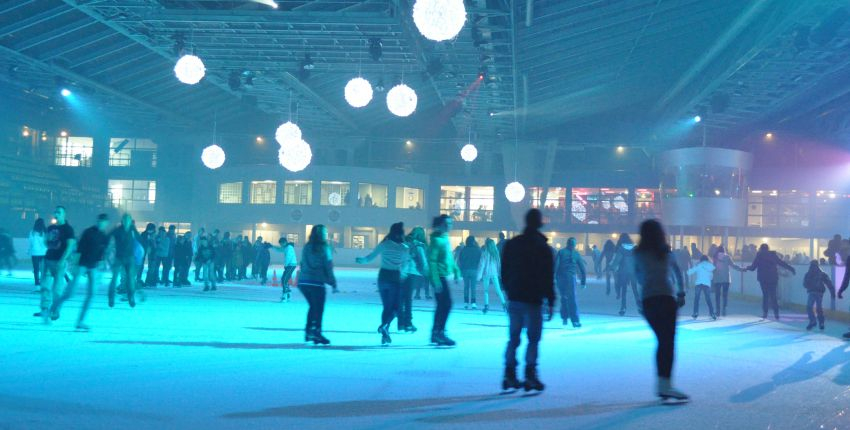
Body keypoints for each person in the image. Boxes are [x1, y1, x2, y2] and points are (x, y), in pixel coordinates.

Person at [633, 219, 689, 402]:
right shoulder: (665, 252)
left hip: (649, 301)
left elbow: (639, 278)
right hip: (666, 298)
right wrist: (681, 293)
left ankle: (662, 384)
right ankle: (665, 384)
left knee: (662, 341)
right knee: (668, 342)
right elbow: (677, 273)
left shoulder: (637, 254)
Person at [501, 209, 554, 392]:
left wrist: (509, 288)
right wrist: (551, 299)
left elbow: (504, 269)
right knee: (533, 338)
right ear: (539, 223)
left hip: (515, 296)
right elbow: (547, 276)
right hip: (532, 298)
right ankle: (530, 374)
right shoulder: (543, 247)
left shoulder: (513, 244)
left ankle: (509, 372)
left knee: (514, 337)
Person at [52, 214, 110, 330]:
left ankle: (80, 321)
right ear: (97, 221)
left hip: (93, 267)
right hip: (82, 265)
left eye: (103, 222)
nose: (101, 223)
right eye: (100, 221)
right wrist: (75, 265)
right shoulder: (88, 232)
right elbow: (79, 249)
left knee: (91, 294)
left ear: (106, 223)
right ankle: (54, 307)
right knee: (70, 293)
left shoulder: (104, 236)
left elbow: (102, 253)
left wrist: (103, 263)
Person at [357, 223, 409, 345]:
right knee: (396, 308)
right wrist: (403, 274)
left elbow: (369, 257)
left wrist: (361, 260)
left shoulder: (384, 245)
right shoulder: (404, 248)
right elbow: (405, 265)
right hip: (394, 277)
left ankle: (385, 336)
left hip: (382, 277)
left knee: (386, 307)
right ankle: (385, 326)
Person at [35, 206, 76, 324]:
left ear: (64, 215)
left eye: (59, 212)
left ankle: (55, 310)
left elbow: (70, 245)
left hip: (59, 262)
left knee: (57, 289)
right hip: (48, 260)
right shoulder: (51, 227)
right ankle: (45, 309)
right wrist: (48, 242)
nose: (56, 214)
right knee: (45, 286)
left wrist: (63, 259)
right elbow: (46, 242)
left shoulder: (68, 229)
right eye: (55, 212)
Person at [299, 225, 337, 345]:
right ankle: (317, 332)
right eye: (325, 232)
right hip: (316, 282)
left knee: (313, 307)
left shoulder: (307, 247)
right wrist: (332, 282)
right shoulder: (324, 248)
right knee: (318, 308)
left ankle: (309, 331)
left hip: (304, 281)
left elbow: (302, 263)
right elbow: (328, 266)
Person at [428, 215, 460, 346]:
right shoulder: (436, 240)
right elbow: (432, 261)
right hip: (438, 277)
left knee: (444, 305)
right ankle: (439, 332)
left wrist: (456, 270)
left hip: (443, 276)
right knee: (446, 304)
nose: (450, 226)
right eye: (447, 223)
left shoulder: (445, 238)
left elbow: (450, 258)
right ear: (440, 225)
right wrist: (436, 281)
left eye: (451, 223)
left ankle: (437, 332)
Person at [746, 243, 796, 320]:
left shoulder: (759, 255)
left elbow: (753, 268)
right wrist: (791, 268)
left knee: (765, 296)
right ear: (768, 249)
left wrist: (747, 268)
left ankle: (765, 314)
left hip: (763, 279)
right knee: (773, 296)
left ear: (761, 249)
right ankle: (776, 314)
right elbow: (781, 263)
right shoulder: (773, 255)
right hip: (773, 278)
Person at [107, 214, 140, 308]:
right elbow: (107, 236)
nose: (126, 222)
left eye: (128, 220)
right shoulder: (117, 230)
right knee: (114, 278)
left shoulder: (132, 229)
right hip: (119, 257)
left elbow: (139, 239)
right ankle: (111, 297)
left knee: (130, 279)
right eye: (125, 220)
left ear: (130, 221)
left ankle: (131, 297)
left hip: (129, 258)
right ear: (122, 221)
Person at [554, 237, 587, 327]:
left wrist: (554, 277)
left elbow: (556, 266)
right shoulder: (576, 254)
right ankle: (575, 321)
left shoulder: (561, 252)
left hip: (560, 278)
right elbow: (583, 269)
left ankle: (564, 317)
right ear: (574, 244)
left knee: (564, 297)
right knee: (572, 299)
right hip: (570, 279)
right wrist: (583, 282)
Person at [400, 227, 428, 331]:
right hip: (413, 274)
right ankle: (408, 323)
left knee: (401, 299)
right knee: (407, 300)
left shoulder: (404, 243)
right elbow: (424, 262)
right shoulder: (419, 246)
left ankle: (400, 322)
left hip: (401, 273)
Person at [612, 234, 640, 316]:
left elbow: (617, 260)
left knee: (624, 290)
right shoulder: (635, 248)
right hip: (633, 272)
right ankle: (639, 306)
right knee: (635, 290)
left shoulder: (621, 249)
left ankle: (623, 307)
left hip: (623, 272)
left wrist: (613, 267)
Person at [711, 246, 742, 317]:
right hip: (726, 279)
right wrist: (741, 269)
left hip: (717, 279)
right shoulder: (727, 257)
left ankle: (718, 311)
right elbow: (733, 265)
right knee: (725, 295)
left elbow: (713, 268)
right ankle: (724, 309)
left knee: (717, 296)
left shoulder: (715, 257)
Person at [803, 260, 834, 331]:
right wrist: (832, 292)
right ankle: (818, 322)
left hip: (816, 292)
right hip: (816, 292)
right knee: (815, 307)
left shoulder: (811, 274)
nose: (813, 267)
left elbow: (804, 284)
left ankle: (815, 321)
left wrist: (808, 285)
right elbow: (829, 283)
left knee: (811, 307)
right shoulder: (820, 273)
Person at [477, 238, 505, 314]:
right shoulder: (496, 253)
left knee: (486, 290)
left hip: (486, 274)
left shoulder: (485, 253)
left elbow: (481, 265)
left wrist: (479, 276)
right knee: (498, 290)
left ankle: (486, 306)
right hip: (494, 273)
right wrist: (500, 273)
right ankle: (504, 304)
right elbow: (499, 265)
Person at [687, 255, 716, 320]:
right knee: (708, 299)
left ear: (701, 259)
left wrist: (694, 266)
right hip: (707, 284)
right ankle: (712, 313)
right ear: (707, 259)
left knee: (697, 299)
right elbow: (711, 276)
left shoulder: (698, 265)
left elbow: (689, 272)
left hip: (699, 283)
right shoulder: (710, 266)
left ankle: (695, 313)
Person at [458, 236, 482, 310]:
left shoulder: (463, 249)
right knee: (473, 287)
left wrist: (461, 269)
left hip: (465, 270)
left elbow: (460, 260)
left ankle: (465, 303)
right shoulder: (477, 250)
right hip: (474, 270)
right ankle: (473, 303)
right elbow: (480, 260)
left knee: (466, 287)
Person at [28, 218, 47, 289]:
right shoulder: (45, 232)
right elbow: (46, 242)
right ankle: (43, 283)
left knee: (36, 269)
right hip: (43, 252)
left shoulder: (32, 232)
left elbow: (31, 242)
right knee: (43, 269)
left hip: (35, 252)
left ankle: (37, 284)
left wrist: (29, 250)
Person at [277, 238, 298, 302]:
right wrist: (272, 246)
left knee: (284, 279)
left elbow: (288, 257)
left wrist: (286, 265)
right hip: (290, 265)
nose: (281, 245)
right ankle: (288, 294)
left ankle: (285, 295)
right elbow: (280, 249)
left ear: (285, 242)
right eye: (280, 244)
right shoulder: (286, 247)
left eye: (281, 244)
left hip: (291, 265)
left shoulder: (289, 248)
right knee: (285, 279)